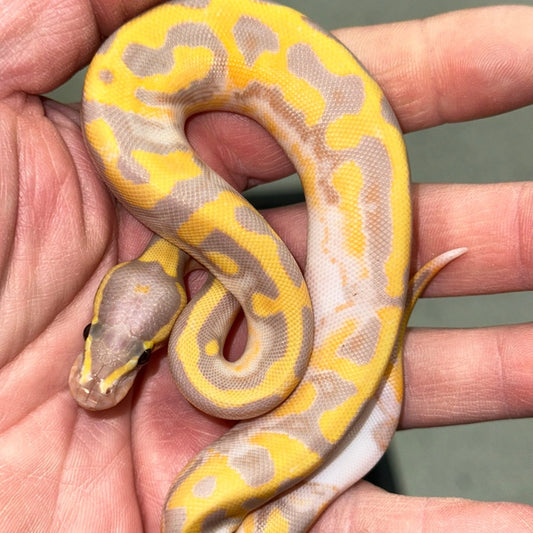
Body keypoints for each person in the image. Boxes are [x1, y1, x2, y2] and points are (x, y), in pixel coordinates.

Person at [1, 1, 531, 530]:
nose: (95, 385)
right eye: (118, 346)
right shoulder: (221, 288)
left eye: (130, 351)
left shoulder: (207, 279)